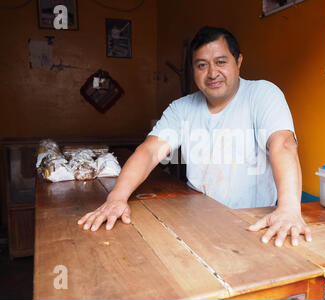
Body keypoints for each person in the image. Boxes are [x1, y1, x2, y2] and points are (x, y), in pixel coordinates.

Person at [78, 26, 312, 247]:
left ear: (238, 62)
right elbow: (149, 152)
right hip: (198, 217)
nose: (212, 73)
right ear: (193, 70)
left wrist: (289, 209)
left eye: (221, 62)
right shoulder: (182, 108)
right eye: (202, 65)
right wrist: (116, 198)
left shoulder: (262, 94)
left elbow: (283, 144)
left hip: (255, 221)